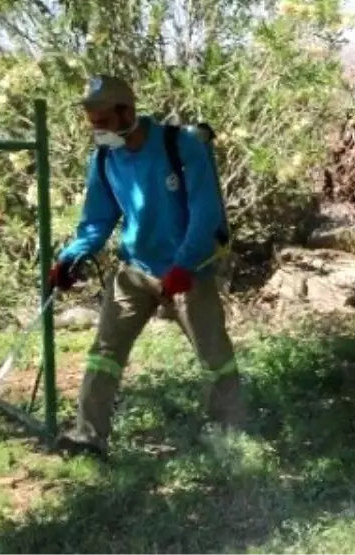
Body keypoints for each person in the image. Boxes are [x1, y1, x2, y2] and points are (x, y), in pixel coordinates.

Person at [49, 75, 244, 459]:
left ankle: (228, 431)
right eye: (91, 120)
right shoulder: (105, 158)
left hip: (188, 272)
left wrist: (184, 265)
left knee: (214, 357)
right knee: (105, 351)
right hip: (135, 268)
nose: (96, 128)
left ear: (128, 111)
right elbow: (96, 220)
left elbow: (206, 214)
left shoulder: (181, 145)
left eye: (103, 119)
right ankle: (89, 436)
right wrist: (72, 257)